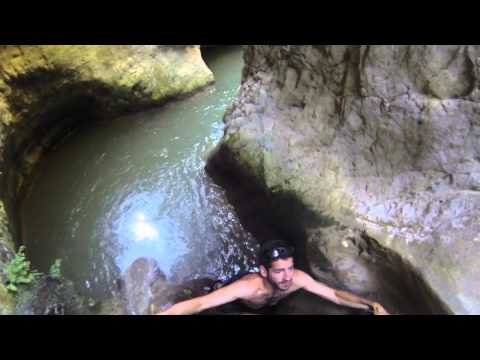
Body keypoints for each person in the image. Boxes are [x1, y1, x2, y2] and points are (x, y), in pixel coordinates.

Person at [156, 240, 390, 315]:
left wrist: (370, 304)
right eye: (279, 271)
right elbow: (200, 304)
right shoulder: (248, 288)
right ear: (264, 271)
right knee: (214, 296)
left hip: (265, 305)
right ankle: (215, 284)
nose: (287, 276)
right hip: (235, 306)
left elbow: (334, 295)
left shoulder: (297, 278)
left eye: (289, 268)